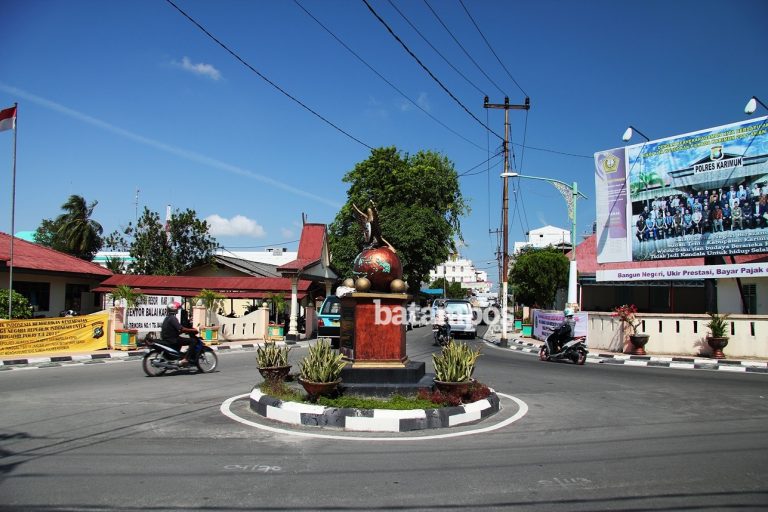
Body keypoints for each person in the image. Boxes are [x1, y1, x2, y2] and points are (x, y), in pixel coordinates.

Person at [161, 301, 198, 366]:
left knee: (181, 341)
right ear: (174, 309)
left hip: (168, 338)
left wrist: (183, 331)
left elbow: (177, 330)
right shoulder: (173, 318)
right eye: (177, 308)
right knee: (193, 341)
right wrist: (192, 330)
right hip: (173, 339)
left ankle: (178, 358)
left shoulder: (167, 318)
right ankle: (185, 359)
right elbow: (181, 328)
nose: (178, 310)